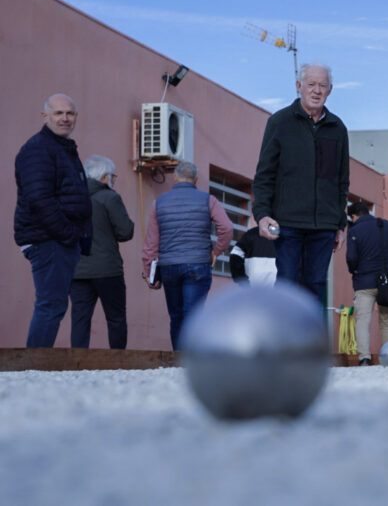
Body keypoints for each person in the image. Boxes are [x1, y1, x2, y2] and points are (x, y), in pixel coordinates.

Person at [252, 62, 350, 303]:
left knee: (315, 286)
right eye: (311, 84)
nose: (317, 90)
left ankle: (309, 330)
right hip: (288, 223)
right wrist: (262, 214)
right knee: (287, 284)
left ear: (330, 90)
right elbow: (265, 174)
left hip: (324, 225)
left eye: (323, 85)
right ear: (299, 86)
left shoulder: (338, 128)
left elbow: (341, 181)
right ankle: (284, 329)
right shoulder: (279, 122)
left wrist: (339, 224)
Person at [14, 94, 92, 348]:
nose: (65, 118)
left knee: (53, 305)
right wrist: (68, 234)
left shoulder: (62, 148)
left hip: (57, 239)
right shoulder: (39, 149)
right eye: (58, 113)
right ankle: (33, 366)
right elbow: (39, 199)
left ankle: (35, 364)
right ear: (44, 116)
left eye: (69, 113)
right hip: (49, 239)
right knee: (51, 305)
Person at [141, 161, 233, 349]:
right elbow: (227, 228)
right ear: (196, 180)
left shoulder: (158, 203)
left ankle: (178, 359)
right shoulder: (208, 200)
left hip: (169, 267)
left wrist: (149, 273)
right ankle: (192, 359)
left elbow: (151, 243)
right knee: (193, 316)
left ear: (175, 178)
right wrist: (216, 251)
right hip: (198, 264)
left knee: (176, 316)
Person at [70, 155, 134, 349]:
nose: (113, 180)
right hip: (107, 269)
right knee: (115, 318)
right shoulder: (110, 197)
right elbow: (125, 232)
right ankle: (117, 361)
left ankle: (77, 361)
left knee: (80, 319)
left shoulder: (72, 197)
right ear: (105, 177)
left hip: (78, 269)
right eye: (113, 176)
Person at [345, 203, 388, 366]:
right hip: (387, 281)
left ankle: (364, 358)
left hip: (364, 281)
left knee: (363, 320)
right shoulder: (386, 225)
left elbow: (351, 257)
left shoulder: (354, 230)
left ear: (354, 216)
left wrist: (355, 271)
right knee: (387, 320)